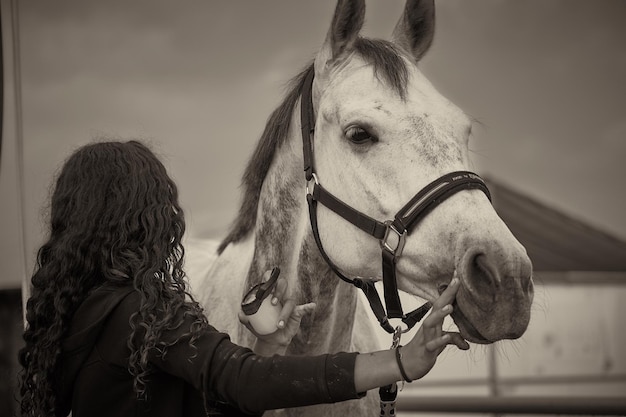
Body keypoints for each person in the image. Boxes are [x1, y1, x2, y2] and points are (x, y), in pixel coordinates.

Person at [18, 140, 469, 417]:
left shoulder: (76, 312)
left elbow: (223, 394)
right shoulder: (144, 313)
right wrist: (399, 362)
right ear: (146, 220)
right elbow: (247, 382)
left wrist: (266, 349)